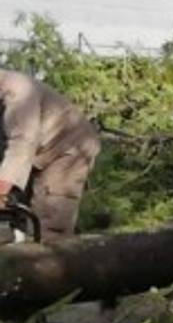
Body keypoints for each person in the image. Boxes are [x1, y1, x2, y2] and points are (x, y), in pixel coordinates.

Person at [0, 69, 101, 243]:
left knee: (49, 224)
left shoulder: (19, 90)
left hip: (68, 149)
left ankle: (49, 253)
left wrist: (1, 190)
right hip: (37, 153)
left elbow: (22, 142)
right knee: (20, 219)